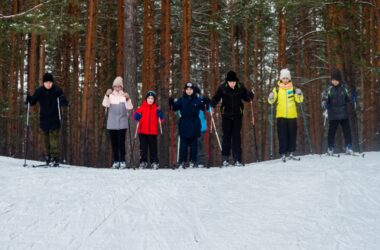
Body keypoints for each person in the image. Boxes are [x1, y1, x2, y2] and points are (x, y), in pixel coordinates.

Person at [210, 70, 254, 167]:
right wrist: (213, 102)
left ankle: (237, 159)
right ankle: (225, 159)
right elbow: (216, 98)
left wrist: (250, 96)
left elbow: (246, 98)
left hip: (238, 115)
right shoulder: (222, 88)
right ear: (227, 81)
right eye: (230, 82)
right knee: (226, 137)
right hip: (226, 115)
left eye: (234, 82)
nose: (232, 84)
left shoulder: (240, 87)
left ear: (236, 81)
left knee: (236, 137)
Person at [26, 72, 68, 167]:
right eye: (46, 82)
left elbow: (64, 101)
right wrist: (28, 99)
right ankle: (48, 156)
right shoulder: (39, 91)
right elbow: (32, 102)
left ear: (52, 82)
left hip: (54, 118)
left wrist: (62, 100)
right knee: (46, 139)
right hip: (44, 118)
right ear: (43, 83)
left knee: (54, 139)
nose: (48, 84)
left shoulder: (57, 90)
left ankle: (55, 158)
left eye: (50, 82)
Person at [169, 82, 210, 168]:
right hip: (184, 123)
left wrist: (206, 102)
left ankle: (193, 161)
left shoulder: (197, 100)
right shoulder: (181, 99)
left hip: (195, 123)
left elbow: (204, 108)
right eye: (187, 89)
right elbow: (175, 108)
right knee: (183, 145)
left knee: (194, 145)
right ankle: (182, 161)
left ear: (193, 90)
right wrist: (172, 103)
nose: (189, 91)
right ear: (185, 90)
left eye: (191, 89)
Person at [268, 68, 303, 161]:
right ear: (280, 79)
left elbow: (299, 100)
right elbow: (271, 101)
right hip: (281, 115)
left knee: (292, 134)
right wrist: (271, 96)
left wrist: (300, 94)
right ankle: (283, 153)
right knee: (282, 135)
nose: (285, 80)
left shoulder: (293, 88)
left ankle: (291, 152)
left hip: (292, 115)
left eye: (287, 78)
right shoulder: (277, 89)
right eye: (283, 78)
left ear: (289, 78)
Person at [102, 76, 133, 168]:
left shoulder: (124, 96)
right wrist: (106, 95)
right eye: (116, 86)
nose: (117, 88)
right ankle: (115, 161)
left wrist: (128, 99)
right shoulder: (110, 95)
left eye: (119, 86)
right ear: (113, 87)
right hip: (112, 123)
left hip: (122, 123)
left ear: (122, 87)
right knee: (114, 143)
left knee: (121, 143)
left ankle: (122, 161)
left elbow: (130, 107)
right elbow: (105, 104)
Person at [321, 69, 353, 155]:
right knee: (331, 132)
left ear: (339, 80)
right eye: (333, 80)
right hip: (333, 114)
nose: (334, 82)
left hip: (344, 113)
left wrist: (352, 96)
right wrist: (325, 105)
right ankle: (330, 147)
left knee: (347, 131)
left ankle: (348, 146)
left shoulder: (344, 87)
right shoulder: (329, 88)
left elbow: (349, 98)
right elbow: (324, 99)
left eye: (336, 80)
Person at [133, 90, 164, 169]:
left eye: (152, 98)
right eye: (149, 98)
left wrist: (160, 115)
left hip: (153, 132)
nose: (150, 100)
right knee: (143, 148)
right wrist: (137, 116)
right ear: (146, 99)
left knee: (153, 148)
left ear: (154, 100)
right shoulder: (142, 108)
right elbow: (135, 116)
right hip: (142, 131)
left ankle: (154, 162)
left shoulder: (156, 109)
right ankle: (143, 162)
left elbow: (162, 120)